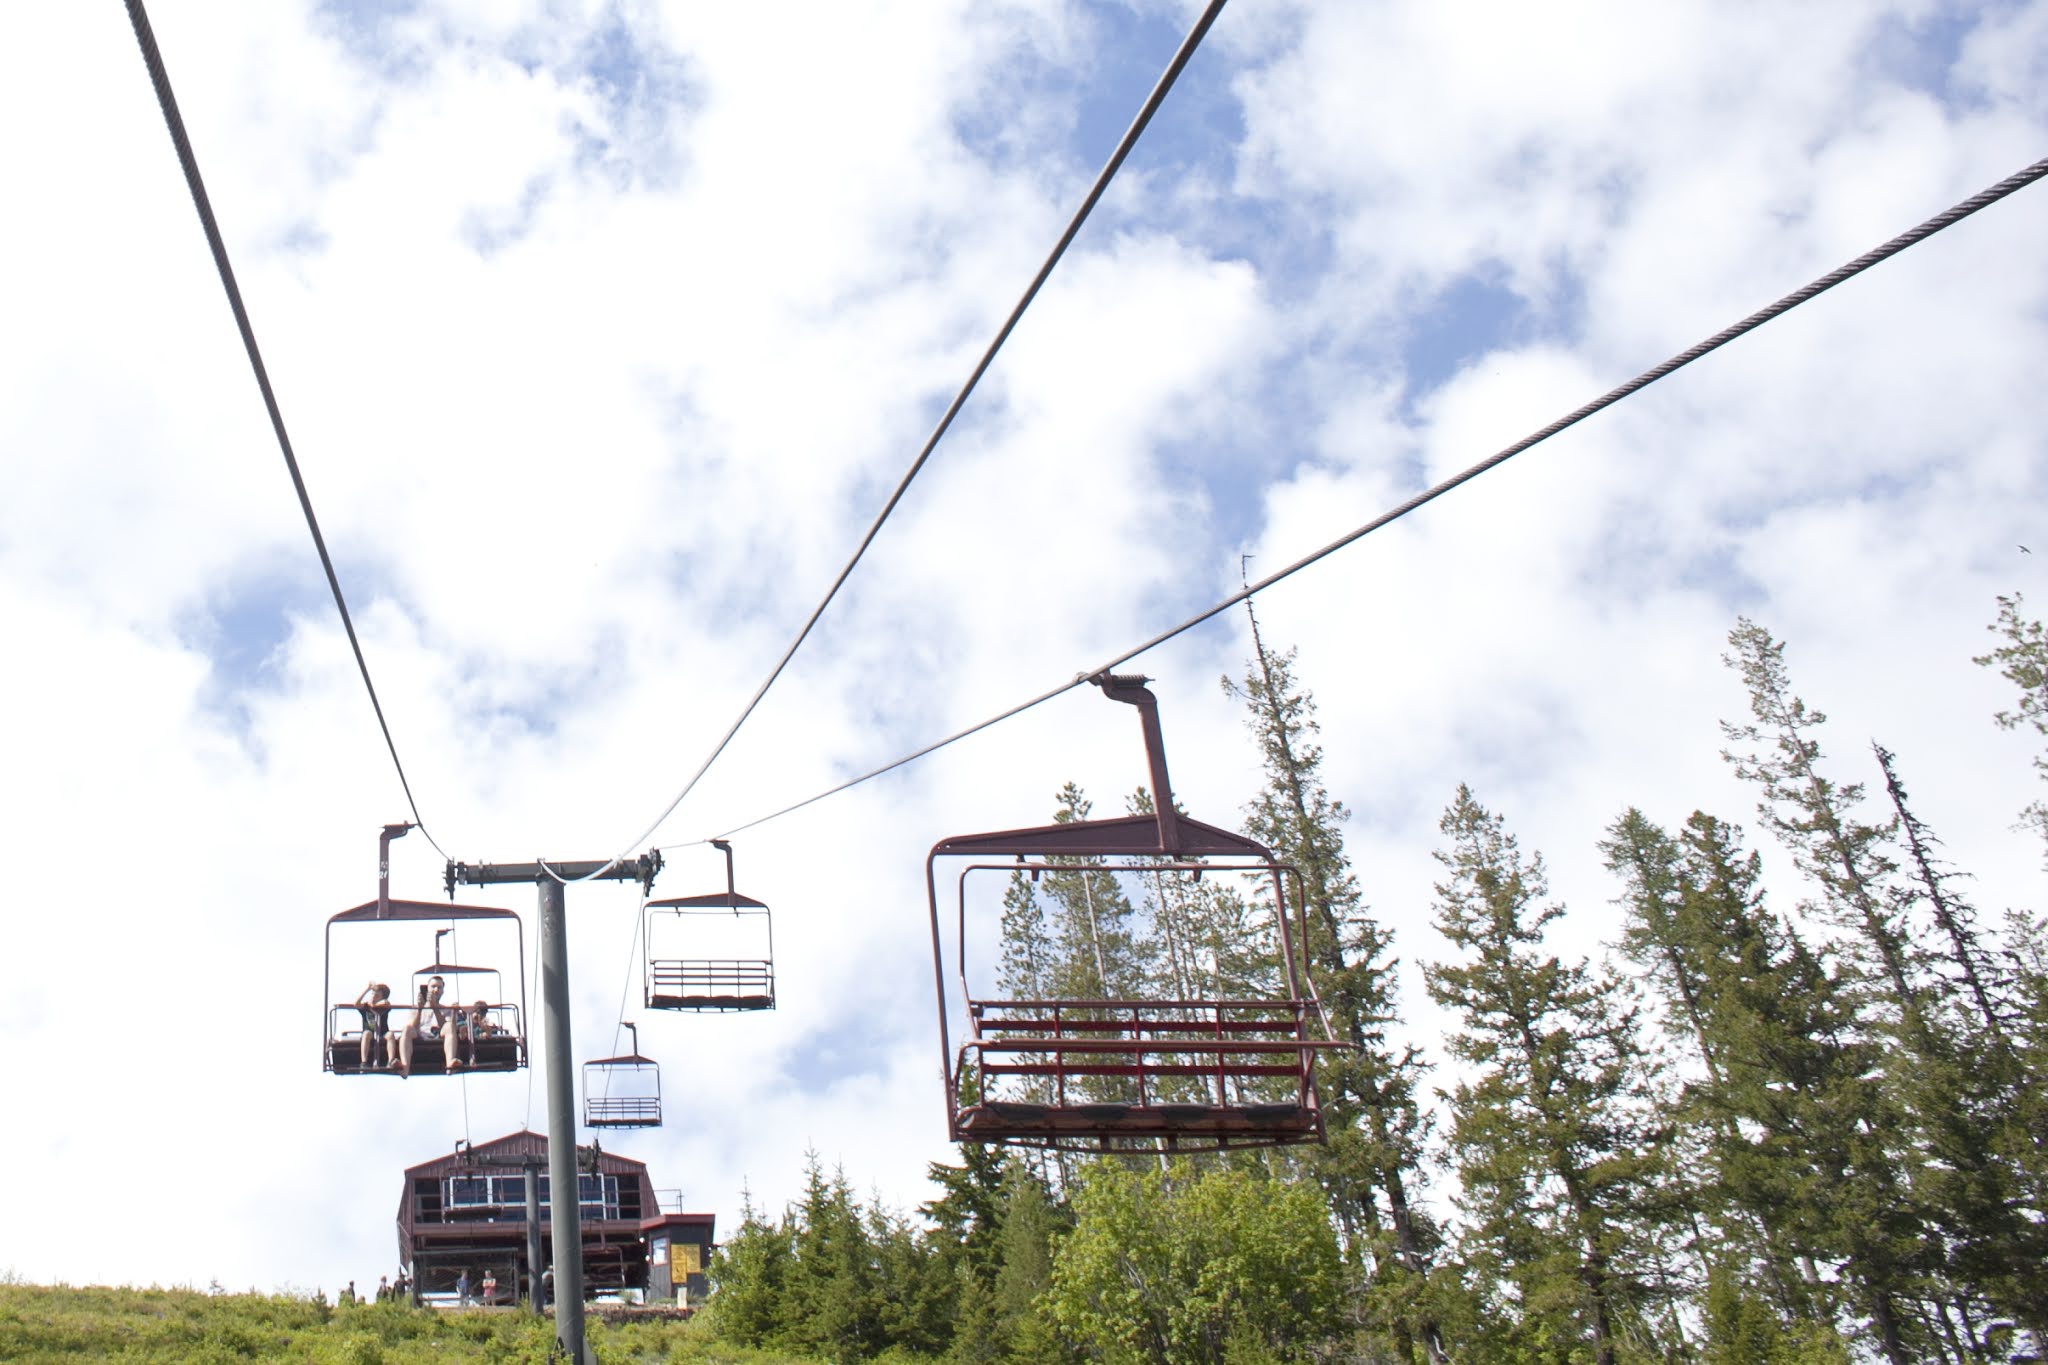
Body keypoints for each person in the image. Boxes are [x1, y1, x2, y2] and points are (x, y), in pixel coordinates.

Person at [395, 975, 458, 1077]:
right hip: (419, 1035)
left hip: (438, 1035)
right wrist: (420, 1010)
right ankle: (404, 1068)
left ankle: (450, 1063)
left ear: (443, 991)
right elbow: (412, 1027)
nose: (436, 990)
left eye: (439, 987)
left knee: (450, 1025)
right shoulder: (415, 1008)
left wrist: (435, 1008)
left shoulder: (447, 1009)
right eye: (433, 986)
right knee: (407, 1029)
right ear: (427, 989)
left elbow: (447, 1027)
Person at [354, 982, 392, 1069]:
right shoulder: (366, 1006)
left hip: (383, 1032)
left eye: (377, 995)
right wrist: (367, 989)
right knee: (367, 1034)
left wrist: (373, 1005)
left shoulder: (384, 1005)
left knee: (390, 1035)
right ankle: (364, 1062)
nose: (374, 997)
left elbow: (386, 1003)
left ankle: (390, 1061)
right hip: (369, 1031)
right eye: (372, 994)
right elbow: (356, 1003)